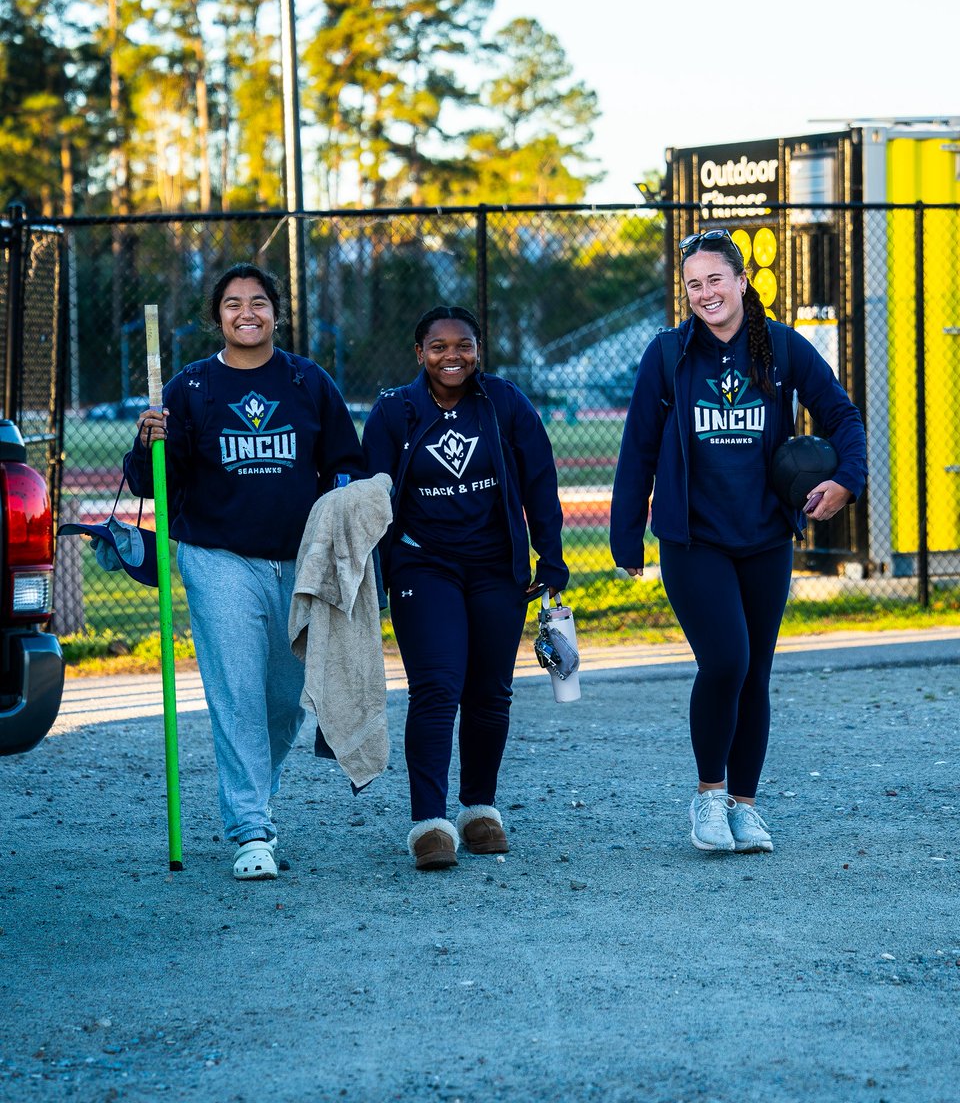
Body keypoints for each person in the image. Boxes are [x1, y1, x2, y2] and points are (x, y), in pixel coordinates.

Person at [610, 229, 867, 854]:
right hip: (694, 539)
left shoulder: (781, 346)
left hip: (765, 536)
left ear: (741, 281)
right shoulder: (667, 354)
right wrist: (626, 535)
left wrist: (846, 481)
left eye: (716, 280)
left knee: (756, 673)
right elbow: (638, 446)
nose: (706, 293)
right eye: (693, 284)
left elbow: (841, 415)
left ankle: (744, 807)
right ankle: (708, 796)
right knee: (726, 660)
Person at [125, 263, 364, 881]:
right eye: (233, 304)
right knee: (237, 693)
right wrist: (146, 443)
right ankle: (251, 828)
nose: (246, 313)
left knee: (285, 699)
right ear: (218, 317)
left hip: (301, 563)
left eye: (258, 302)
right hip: (218, 558)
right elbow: (152, 483)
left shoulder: (307, 381)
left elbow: (345, 465)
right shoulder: (191, 387)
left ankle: (257, 786)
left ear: (275, 313)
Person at [362, 305, 569, 871]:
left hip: (495, 567)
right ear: (419, 353)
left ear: (479, 350)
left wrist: (551, 557)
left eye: (464, 345)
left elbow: (540, 481)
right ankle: (429, 823)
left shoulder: (504, 402)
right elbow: (370, 494)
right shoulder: (394, 410)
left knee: (490, 692)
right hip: (422, 565)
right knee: (437, 688)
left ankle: (479, 809)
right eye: (438, 346)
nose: (452, 356)